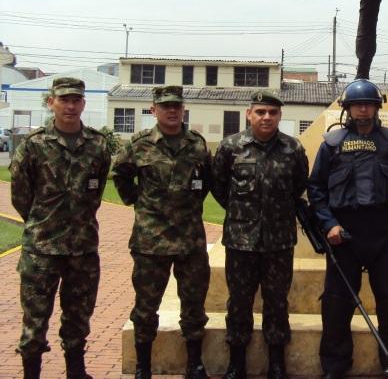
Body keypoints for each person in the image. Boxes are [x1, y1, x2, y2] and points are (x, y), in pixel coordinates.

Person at [307, 79, 388, 378]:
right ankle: (335, 365)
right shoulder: (331, 144)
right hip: (344, 234)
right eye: (357, 104)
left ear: (377, 107)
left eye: (369, 104)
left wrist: (380, 208)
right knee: (337, 304)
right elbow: (316, 189)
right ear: (348, 108)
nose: (363, 109)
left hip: (384, 232)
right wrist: (330, 223)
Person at [10, 77, 111, 379]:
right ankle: (31, 373)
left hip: (82, 247)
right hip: (41, 249)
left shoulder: (97, 145)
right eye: (63, 100)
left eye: (75, 100)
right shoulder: (33, 145)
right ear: (51, 102)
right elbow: (20, 197)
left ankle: (76, 371)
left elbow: (96, 191)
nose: (70, 105)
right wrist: (44, 222)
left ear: (83, 103)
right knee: (35, 318)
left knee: (79, 315)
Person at [112, 86, 214, 379]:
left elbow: (206, 179)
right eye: (165, 106)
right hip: (150, 239)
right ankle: (143, 366)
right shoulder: (139, 143)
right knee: (145, 306)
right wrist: (136, 202)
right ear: (153, 109)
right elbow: (120, 174)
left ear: (183, 109)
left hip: (189, 240)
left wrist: (192, 204)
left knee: (194, 305)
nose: (172, 111)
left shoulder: (197, 144)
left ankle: (194, 364)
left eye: (177, 106)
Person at [212, 90, 309, 379]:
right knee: (239, 301)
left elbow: (298, 187)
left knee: (277, 301)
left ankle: (276, 363)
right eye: (261, 112)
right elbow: (219, 188)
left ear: (280, 116)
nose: (267, 117)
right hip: (241, 241)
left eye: (273, 112)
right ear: (249, 114)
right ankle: (236, 362)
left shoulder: (293, 149)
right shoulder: (231, 148)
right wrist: (243, 216)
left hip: (279, 242)